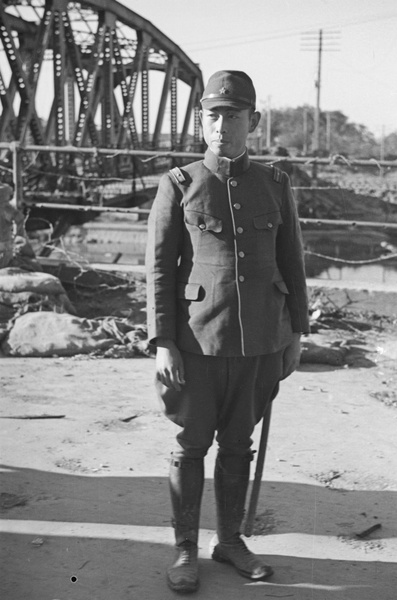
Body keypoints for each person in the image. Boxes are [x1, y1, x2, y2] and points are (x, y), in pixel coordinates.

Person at [145, 70, 310, 593]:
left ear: (252, 122)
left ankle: (231, 541)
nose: (222, 125)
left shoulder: (276, 184)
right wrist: (163, 342)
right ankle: (186, 549)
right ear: (201, 121)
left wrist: (296, 334)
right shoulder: (180, 184)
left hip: (263, 338)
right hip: (197, 340)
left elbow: (293, 263)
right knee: (192, 444)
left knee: (239, 444)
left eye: (233, 115)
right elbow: (157, 271)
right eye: (213, 115)